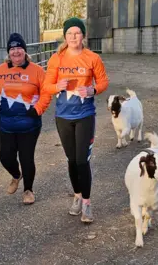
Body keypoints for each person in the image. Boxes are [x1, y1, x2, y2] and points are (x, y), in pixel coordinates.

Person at [43, 17, 109, 223]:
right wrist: (57, 87)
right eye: (69, 33)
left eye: (77, 33)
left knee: (82, 160)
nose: (73, 37)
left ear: (83, 35)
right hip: (63, 116)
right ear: (65, 36)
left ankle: (87, 204)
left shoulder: (92, 58)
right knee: (72, 161)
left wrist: (92, 89)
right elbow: (46, 86)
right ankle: (77, 196)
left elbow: (103, 81)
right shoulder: (57, 59)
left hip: (85, 115)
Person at [0, 33, 52, 205]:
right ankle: (16, 175)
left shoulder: (37, 71)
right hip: (7, 124)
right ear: (9, 52)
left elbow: (46, 93)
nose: (16, 52)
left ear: (25, 51)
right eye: (12, 49)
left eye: (19, 48)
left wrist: (38, 109)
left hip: (29, 124)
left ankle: (28, 190)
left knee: (26, 157)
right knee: (5, 157)